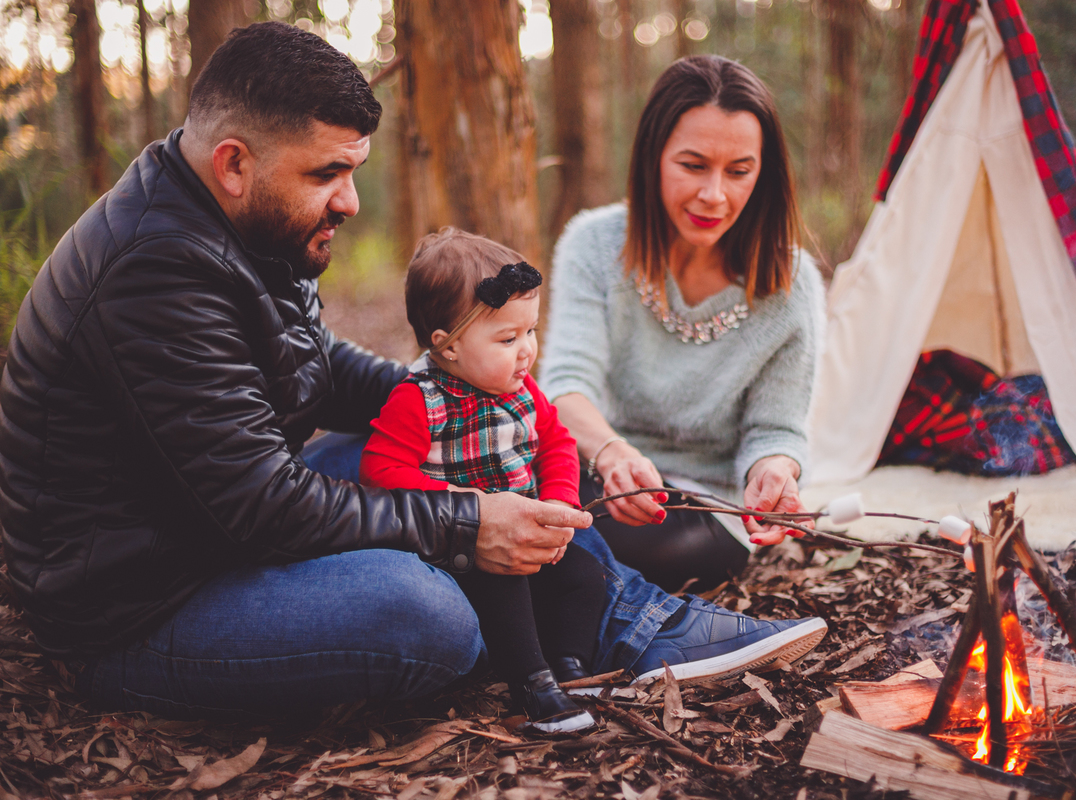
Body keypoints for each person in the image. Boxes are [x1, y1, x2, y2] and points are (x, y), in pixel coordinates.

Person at [0, 23, 825, 718]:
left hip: (207, 520)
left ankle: (625, 622)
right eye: (327, 174)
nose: (351, 201)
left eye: (352, 170)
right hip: (143, 601)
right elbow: (262, 508)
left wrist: (468, 410)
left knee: (463, 458)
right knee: (426, 618)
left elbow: (319, 370)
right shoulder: (155, 271)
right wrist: (468, 522)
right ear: (234, 162)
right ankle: (577, 627)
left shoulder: (231, 220)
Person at [542, 55, 825, 593]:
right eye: (693, 165)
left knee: (581, 536)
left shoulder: (792, 283)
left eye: (738, 171)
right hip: (596, 473)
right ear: (653, 158)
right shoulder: (594, 244)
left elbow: (776, 429)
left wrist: (773, 471)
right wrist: (613, 454)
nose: (714, 195)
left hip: (703, 511)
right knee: (528, 500)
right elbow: (565, 385)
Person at [359, 230, 604, 732]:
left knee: (585, 576)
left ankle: (571, 665)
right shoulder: (418, 400)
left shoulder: (522, 388)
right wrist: (460, 504)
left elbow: (556, 443)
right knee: (505, 588)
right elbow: (380, 472)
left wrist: (558, 500)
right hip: (459, 550)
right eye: (507, 339)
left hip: (523, 532)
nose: (527, 351)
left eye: (531, 331)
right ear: (446, 347)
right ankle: (533, 688)